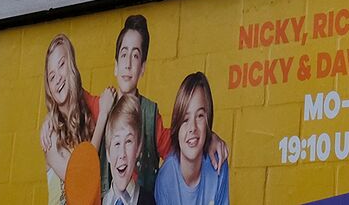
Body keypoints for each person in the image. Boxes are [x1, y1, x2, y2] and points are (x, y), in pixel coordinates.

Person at [95, 14, 228, 200]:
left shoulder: (151, 117)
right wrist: (102, 115)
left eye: (135, 56)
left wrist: (209, 138)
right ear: (115, 64)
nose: (128, 64)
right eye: (124, 55)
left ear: (143, 67)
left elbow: (182, 146)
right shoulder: (100, 105)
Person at [39, 34, 101, 205]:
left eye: (61, 65)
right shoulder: (51, 135)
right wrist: (103, 118)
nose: (58, 78)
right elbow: (81, 181)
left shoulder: (87, 120)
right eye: (51, 77)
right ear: (49, 89)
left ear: (72, 65)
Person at [155, 72, 229, 205]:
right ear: (177, 126)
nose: (192, 127)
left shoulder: (217, 165)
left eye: (200, 116)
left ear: (208, 120)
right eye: (185, 119)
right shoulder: (166, 178)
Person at [100, 90, 148, 205]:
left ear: (138, 148)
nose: (122, 154)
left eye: (128, 141)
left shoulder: (148, 201)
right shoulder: (99, 202)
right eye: (117, 143)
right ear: (108, 153)